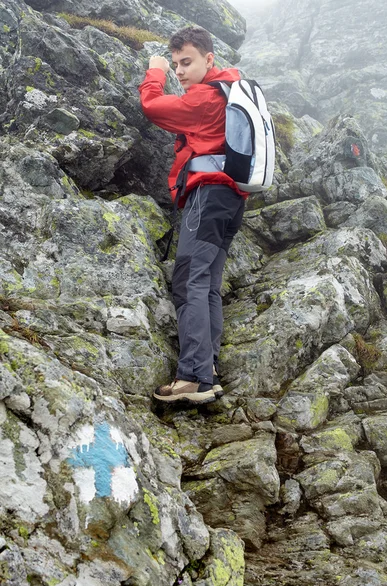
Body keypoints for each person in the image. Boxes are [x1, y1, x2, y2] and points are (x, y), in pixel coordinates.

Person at [139, 26, 246, 405]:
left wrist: (155, 72)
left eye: (187, 63)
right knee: (208, 284)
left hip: (208, 195)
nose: (180, 71)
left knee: (188, 284)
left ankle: (193, 378)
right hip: (231, 200)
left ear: (209, 59)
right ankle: (208, 369)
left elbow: (151, 106)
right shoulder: (229, 91)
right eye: (174, 64)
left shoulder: (204, 99)